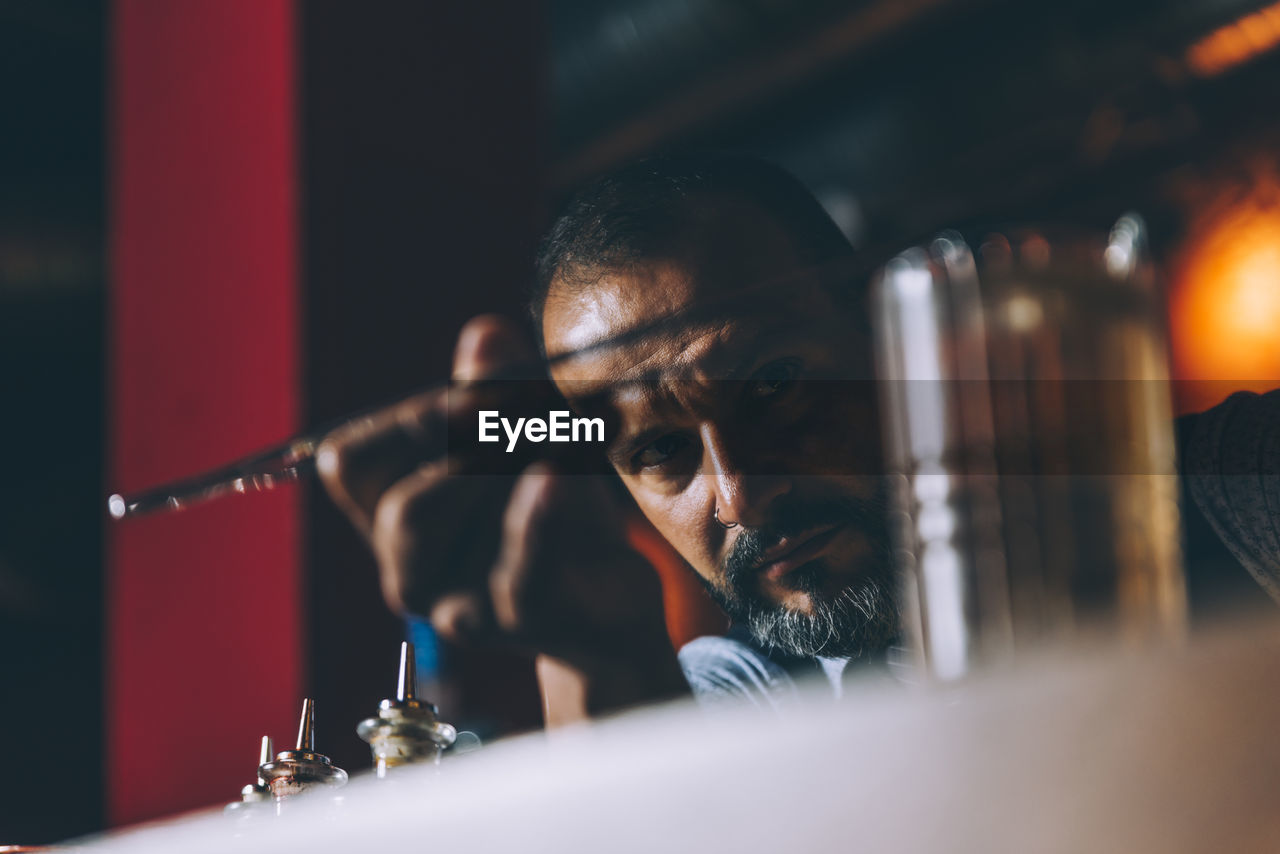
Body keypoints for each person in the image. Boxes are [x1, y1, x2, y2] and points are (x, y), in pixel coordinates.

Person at [317, 153, 1280, 722]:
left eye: (776, 385)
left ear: (887, 334)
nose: (739, 492)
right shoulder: (736, 696)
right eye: (660, 451)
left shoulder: (1239, 483)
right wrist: (592, 658)